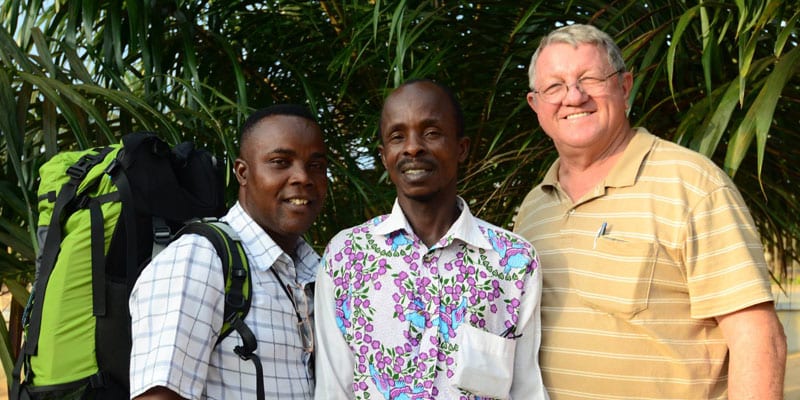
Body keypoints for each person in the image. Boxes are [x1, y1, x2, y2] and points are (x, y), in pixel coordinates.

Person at [514, 23, 787, 399]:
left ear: (624, 86)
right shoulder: (533, 210)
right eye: (555, 86)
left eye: (589, 79)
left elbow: (757, 337)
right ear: (536, 105)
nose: (574, 97)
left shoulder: (692, 184)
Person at [314, 79, 548, 400]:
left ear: (461, 148)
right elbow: (333, 390)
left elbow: (526, 390)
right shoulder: (346, 256)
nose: (412, 147)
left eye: (432, 133)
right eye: (397, 136)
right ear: (384, 156)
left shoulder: (513, 261)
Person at [129, 104, 328, 399]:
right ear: (242, 173)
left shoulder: (317, 270)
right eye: (280, 162)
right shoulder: (200, 259)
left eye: (316, 165)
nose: (303, 177)